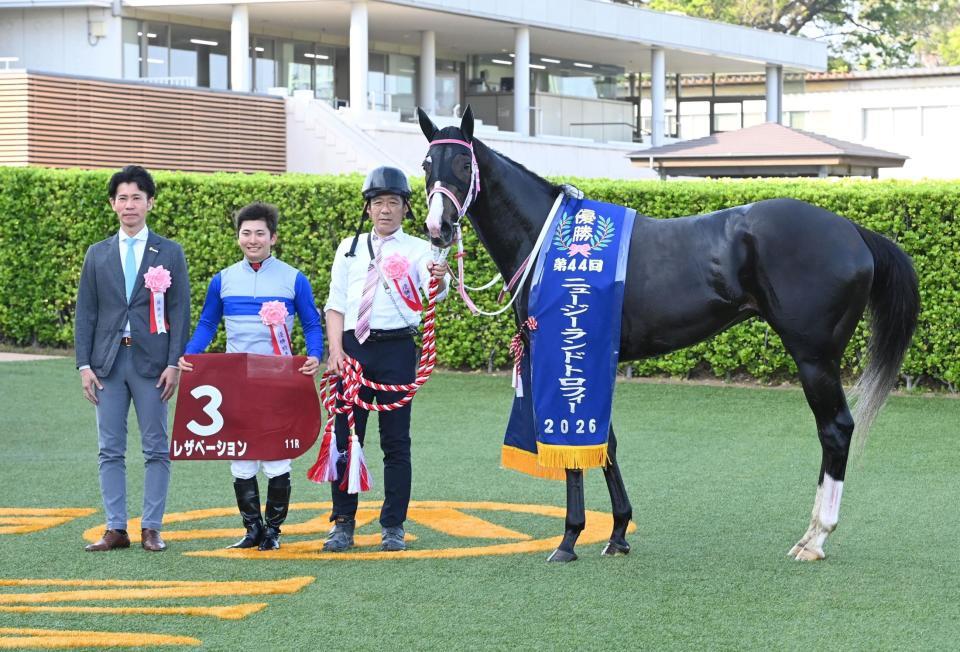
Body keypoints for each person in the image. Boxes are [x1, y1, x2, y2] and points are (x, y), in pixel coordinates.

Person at [178, 202, 323, 551]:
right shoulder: (223, 279)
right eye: (246, 233)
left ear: (273, 237)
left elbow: (311, 323)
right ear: (238, 237)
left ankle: (273, 531)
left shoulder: (294, 278)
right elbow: (208, 323)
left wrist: (315, 355)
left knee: (275, 456)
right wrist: (189, 354)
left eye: (260, 233)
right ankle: (252, 529)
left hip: (278, 382)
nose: (252, 239)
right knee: (241, 457)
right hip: (236, 383)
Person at [322, 166, 449, 553]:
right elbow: (335, 304)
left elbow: (434, 289)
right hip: (353, 349)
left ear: (406, 208)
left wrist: (441, 276)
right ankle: (343, 523)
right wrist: (335, 351)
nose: (386, 210)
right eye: (378, 202)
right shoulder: (349, 248)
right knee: (346, 437)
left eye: (394, 202)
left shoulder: (419, 249)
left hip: (397, 349)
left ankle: (393, 525)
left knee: (396, 442)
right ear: (368, 207)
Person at [75, 165, 191, 552]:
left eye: (137, 198)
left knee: (156, 447)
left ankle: (152, 527)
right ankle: (115, 528)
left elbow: (179, 311)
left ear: (150, 203)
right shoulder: (97, 254)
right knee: (109, 448)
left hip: (153, 365)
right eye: (122, 198)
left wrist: (174, 363)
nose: (129, 205)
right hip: (107, 364)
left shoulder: (170, 252)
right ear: (113, 204)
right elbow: (86, 313)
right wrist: (84, 365)